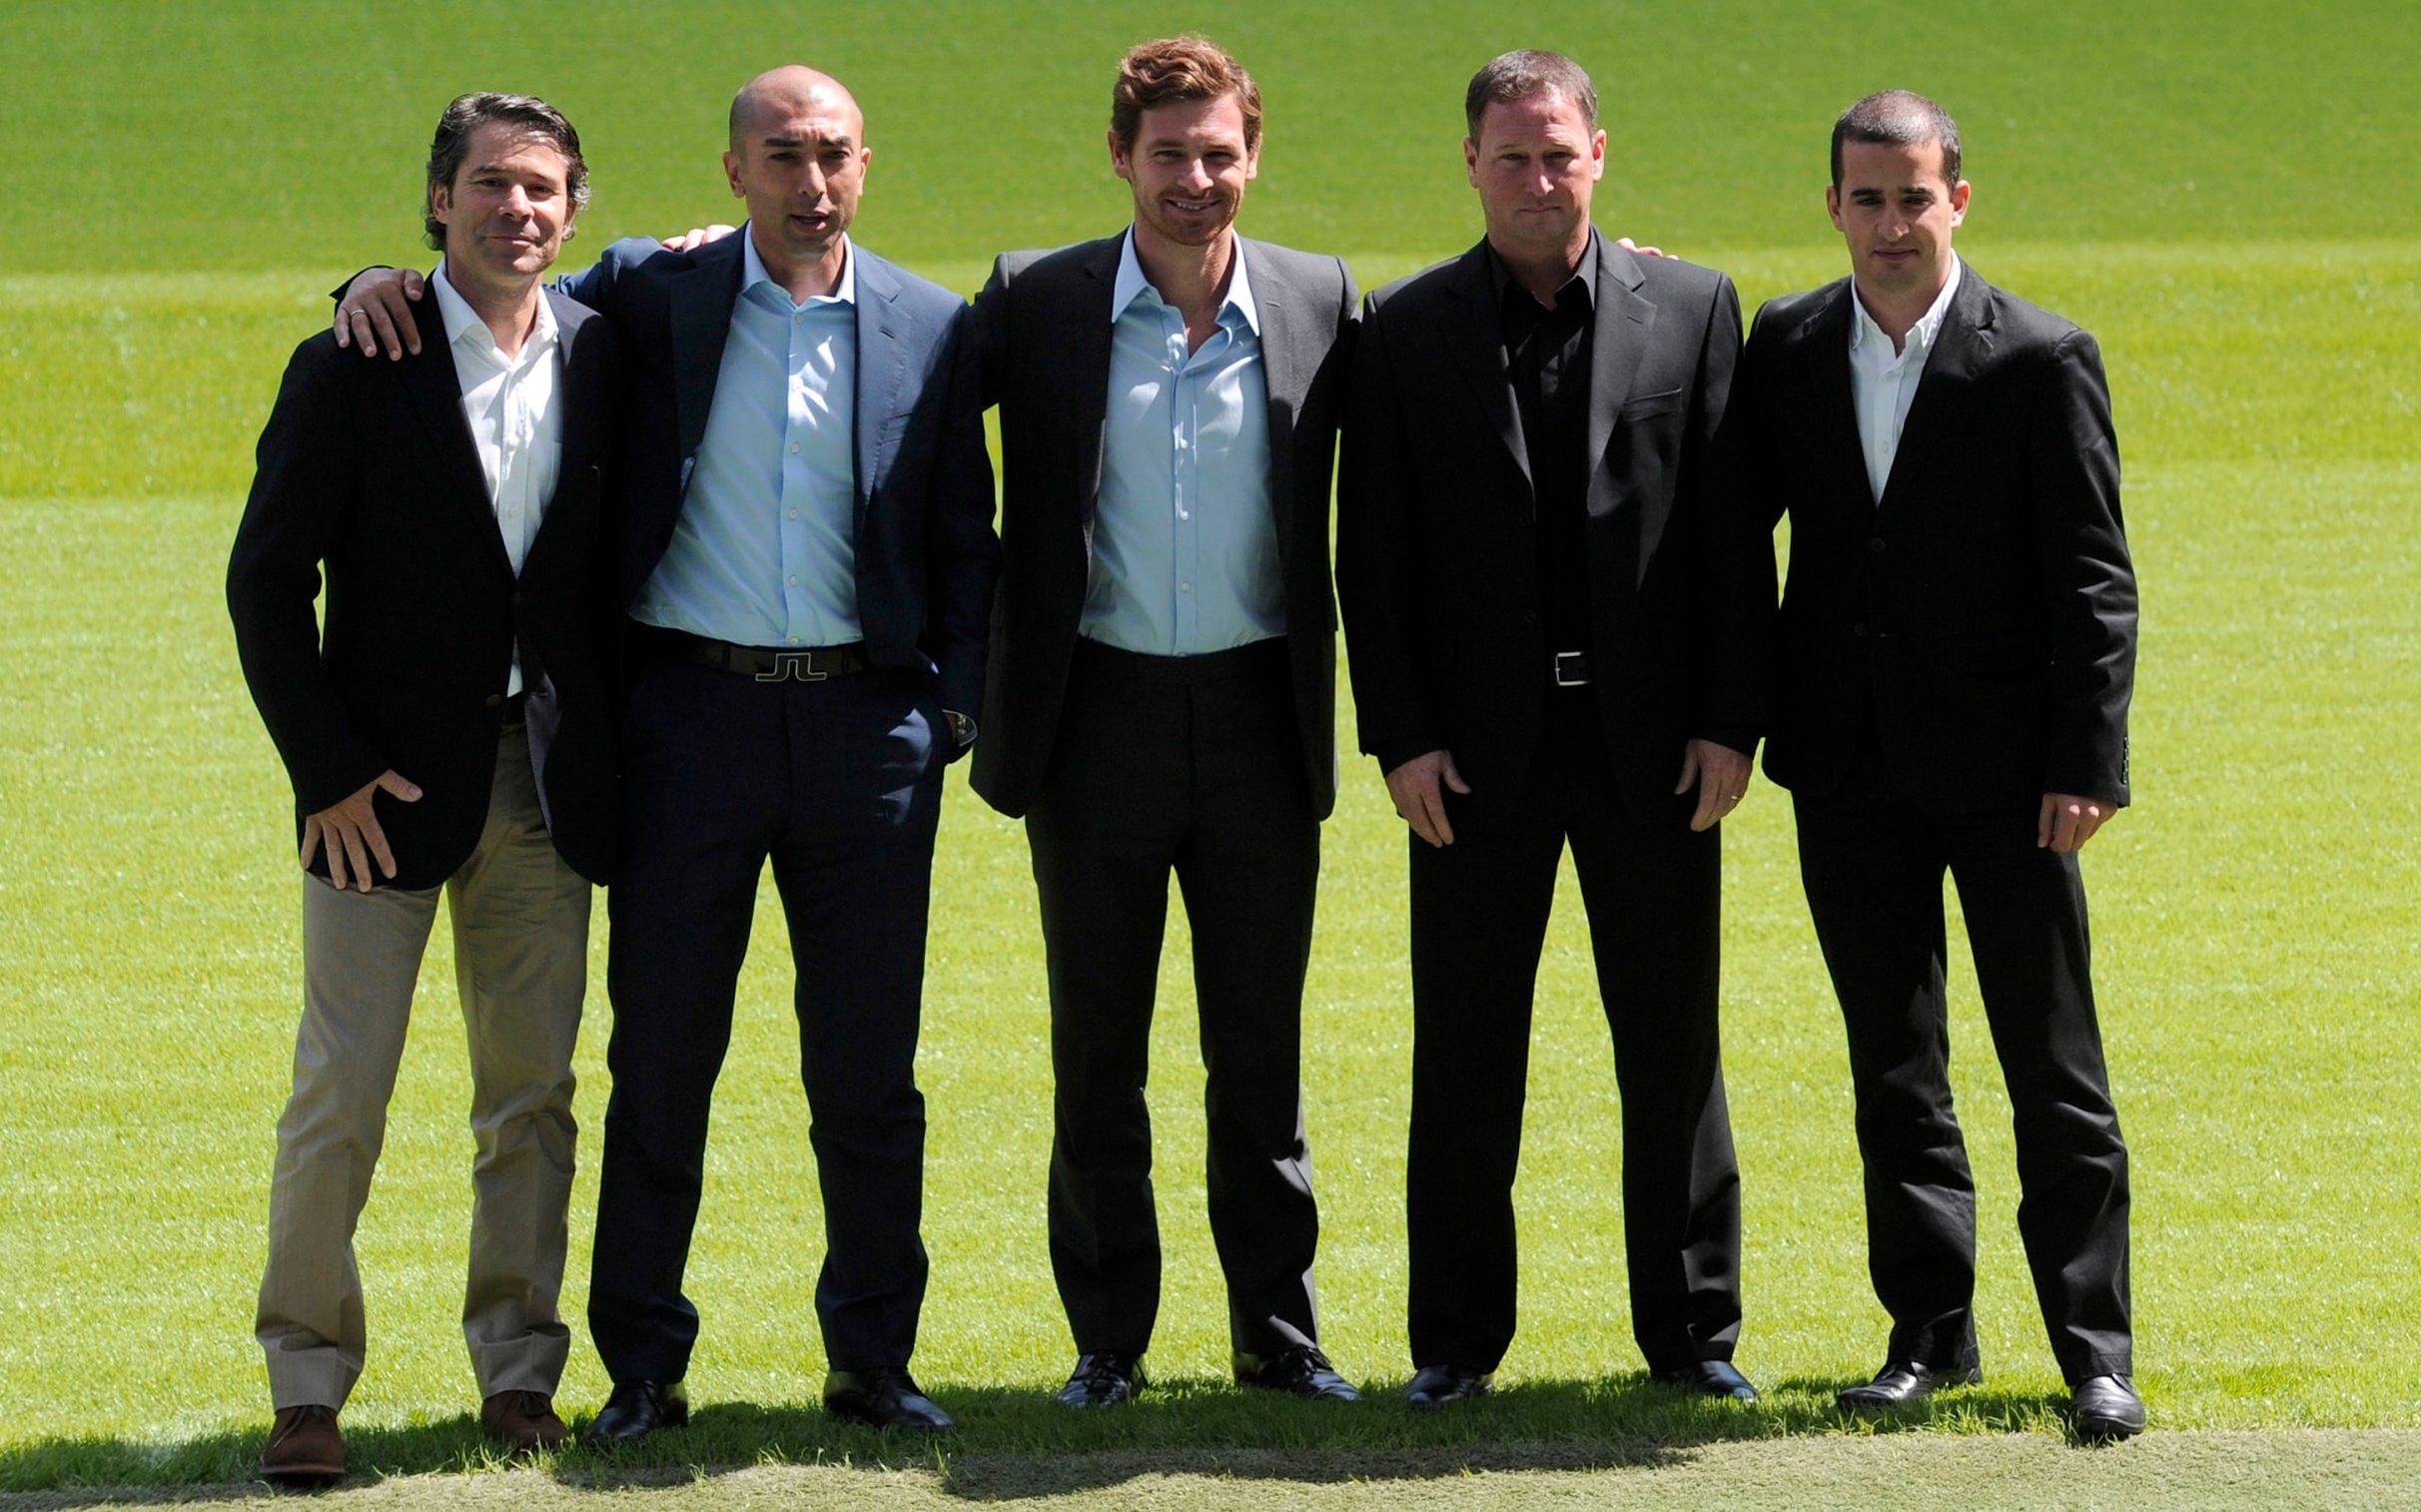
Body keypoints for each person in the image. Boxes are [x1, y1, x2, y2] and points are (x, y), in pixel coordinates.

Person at [335, 65, 998, 1436]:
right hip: (687, 727)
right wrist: (364, 278)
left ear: (865, 163)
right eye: (781, 154)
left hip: (867, 735)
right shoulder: (653, 292)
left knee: (865, 1068)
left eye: (833, 155)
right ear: (732, 169)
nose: (811, 182)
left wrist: (949, 715)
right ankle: (645, 1368)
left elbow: (965, 548)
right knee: (662, 1060)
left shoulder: (936, 328)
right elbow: (488, 284)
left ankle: (873, 1358)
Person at [1334, 50, 1768, 1409]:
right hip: (1471, 758)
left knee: (1672, 1048)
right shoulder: (1402, 328)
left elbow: (1732, 543)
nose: (1536, 178)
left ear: (1599, 153)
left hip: (1652, 748)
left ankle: (1693, 1336)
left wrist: (1728, 723)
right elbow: (1375, 559)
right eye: (1511, 157)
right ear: (1469, 163)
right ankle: (1456, 1344)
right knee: (1466, 1053)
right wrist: (1400, 737)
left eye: (1558, 154)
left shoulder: (1694, 309)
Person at [1731, 89, 2143, 1440]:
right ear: (1833, 205)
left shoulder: (2040, 357)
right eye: (1868, 197)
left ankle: (2095, 1347)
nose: (1893, 222)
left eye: (1916, 196)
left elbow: (2093, 577)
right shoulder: (1787, 345)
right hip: (1847, 768)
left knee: (2053, 1064)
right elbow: (1736, 559)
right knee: (1892, 1063)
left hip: (2015, 777)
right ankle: (1928, 1331)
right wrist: (1733, 723)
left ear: (1959, 198)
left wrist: (2088, 757)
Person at [230, 91, 624, 1483]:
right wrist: (326, 774)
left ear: (573, 212)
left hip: (546, 786)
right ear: (438, 203)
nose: (519, 209)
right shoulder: (354, 359)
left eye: (543, 191)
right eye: (492, 186)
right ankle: (305, 1383)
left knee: (531, 1095)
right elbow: (267, 584)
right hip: (377, 797)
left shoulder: (605, 351)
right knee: (341, 1092)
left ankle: (520, 1374)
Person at [967, 36, 1361, 1408]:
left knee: (1259, 1051)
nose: (1195, 181)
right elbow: (902, 413)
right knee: (1101, 1055)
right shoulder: (1039, 302)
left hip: (1261, 714)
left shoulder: (1320, 300)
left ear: (1252, 155)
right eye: (1168, 155)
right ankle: (1109, 1341)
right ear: (1120, 157)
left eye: (1219, 154)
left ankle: (1279, 1333)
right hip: (1098, 723)